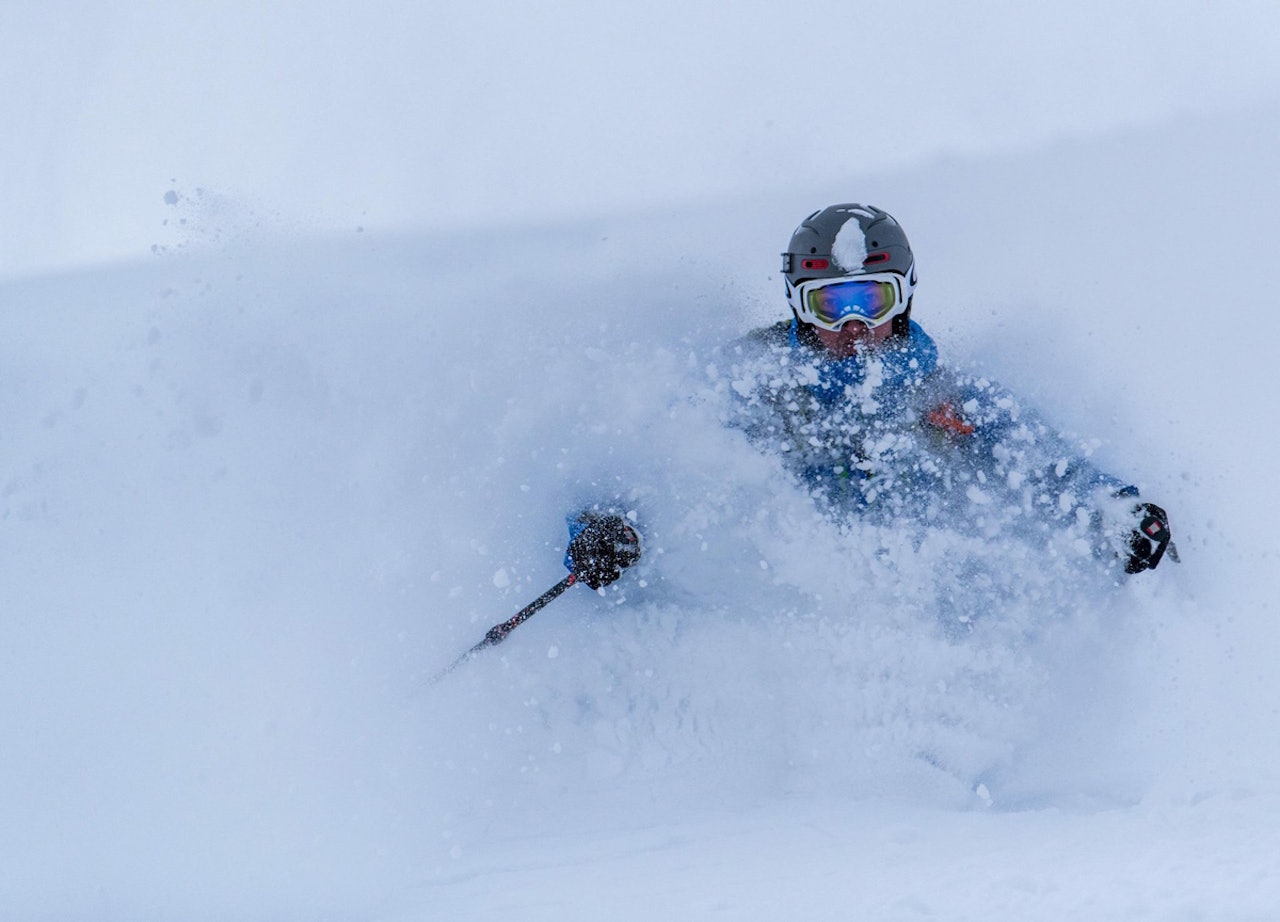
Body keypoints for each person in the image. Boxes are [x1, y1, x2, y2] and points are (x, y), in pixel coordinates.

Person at [722, 203, 1172, 575]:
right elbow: (676, 463)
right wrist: (647, 528)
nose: (853, 325)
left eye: (872, 300)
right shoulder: (753, 387)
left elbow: (1044, 464)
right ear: (799, 305)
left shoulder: (945, 398)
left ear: (903, 299)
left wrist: (1116, 513)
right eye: (830, 305)